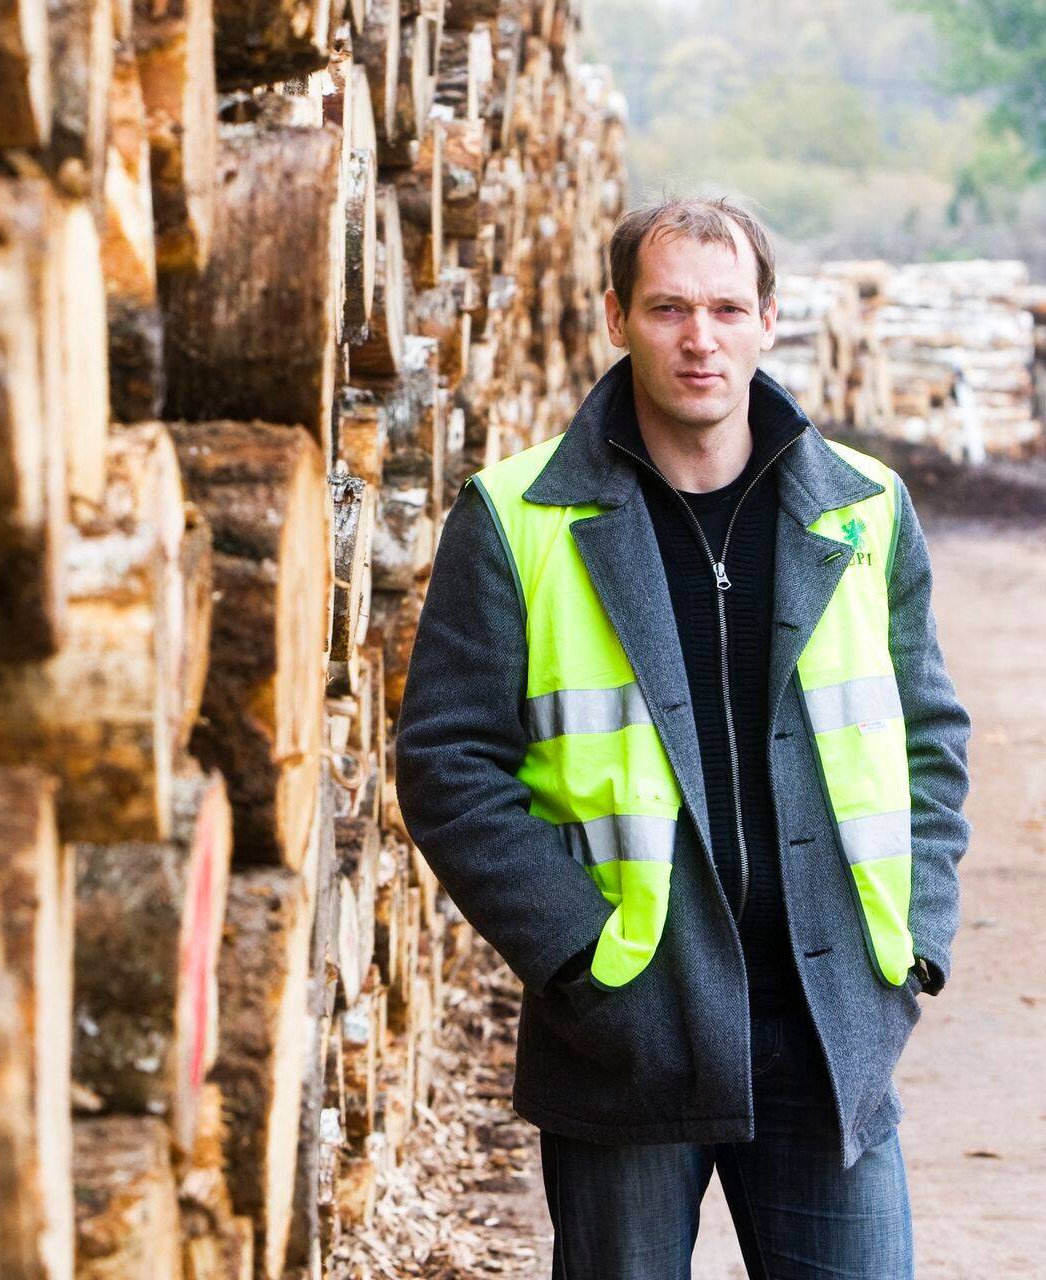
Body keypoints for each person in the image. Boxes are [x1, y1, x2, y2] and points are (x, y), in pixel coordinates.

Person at [392, 197, 971, 1278]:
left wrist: (916, 938)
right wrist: (580, 959)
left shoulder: (866, 509)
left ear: (768, 320)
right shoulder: (517, 515)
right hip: (626, 1031)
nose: (698, 337)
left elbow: (928, 729)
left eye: (724, 307)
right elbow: (446, 761)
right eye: (667, 308)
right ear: (616, 315)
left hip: (831, 1014)